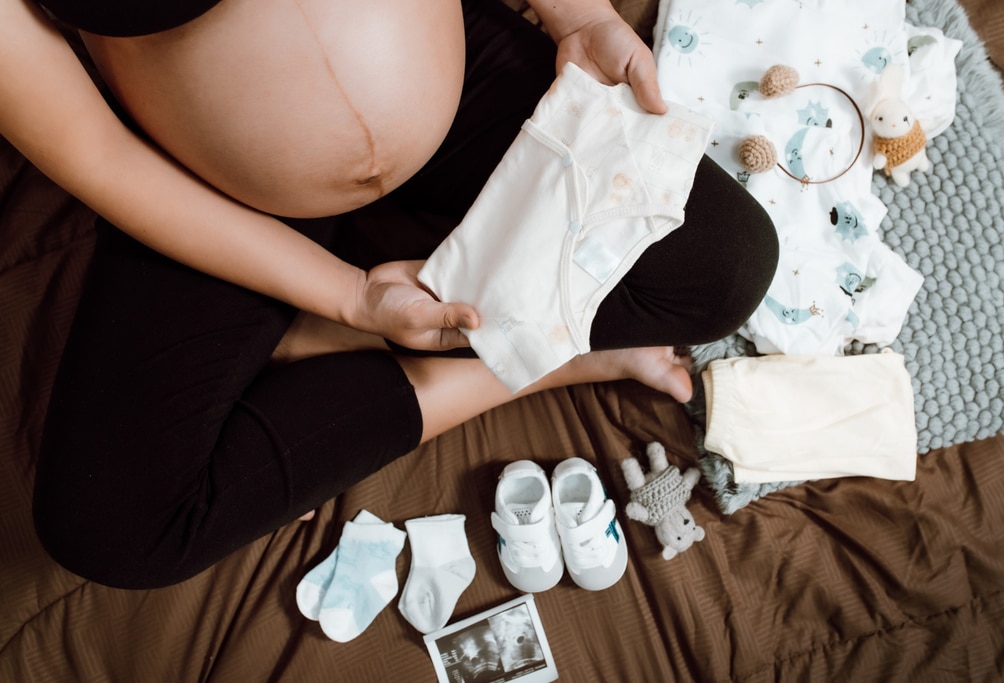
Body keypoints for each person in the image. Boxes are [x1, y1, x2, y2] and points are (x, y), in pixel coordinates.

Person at [0, 0, 778, 589]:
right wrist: (347, 299)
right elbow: (96, 153)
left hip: (454, 83)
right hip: (214, 177)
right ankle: (561, 358)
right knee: (110, 525)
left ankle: (526, 343)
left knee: (724, 265)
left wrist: (576, 13)